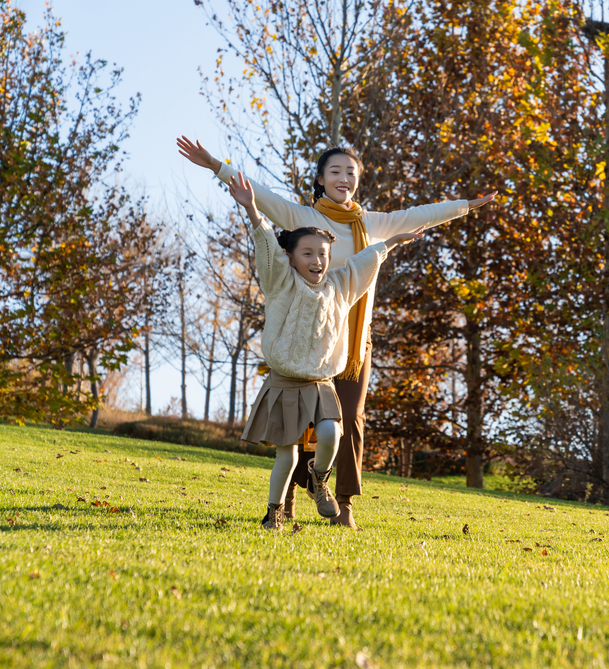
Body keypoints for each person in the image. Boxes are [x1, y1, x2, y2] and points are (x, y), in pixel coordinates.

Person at [177, 136, 495, 528]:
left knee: (349, 421)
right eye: (336, 171)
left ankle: (341, 504)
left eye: (351, 173)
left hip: (351, 342)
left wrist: (465, 206)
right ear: (321, 178)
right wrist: (214, 164)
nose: (344, 178)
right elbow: (257, 196)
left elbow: (420, 214)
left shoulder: (373, 223)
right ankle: (286, 501)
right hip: (303, 340)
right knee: (300, 423)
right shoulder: (303, 219)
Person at [225, 170, 422, 531]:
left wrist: (392, 242)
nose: (317, 261)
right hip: (286, 382)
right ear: (293, 257)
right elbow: (266, 244)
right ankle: (274, 515)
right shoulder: (281, 282)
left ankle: (319, 481)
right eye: (308, 254)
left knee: (332, 433)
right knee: (286, 456)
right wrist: (253, 210)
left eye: (323, 254)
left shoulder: (339, 286)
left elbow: (365, 262)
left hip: (321, 382)